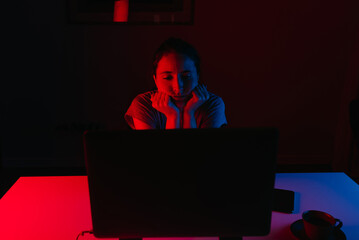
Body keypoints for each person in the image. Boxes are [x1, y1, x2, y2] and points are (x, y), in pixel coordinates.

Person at [124, 38, 227, 129]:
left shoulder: (213, 104)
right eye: (167, 77)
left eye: (186, 77)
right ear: (155, 79)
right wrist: (172, 116)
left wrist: (189, 113)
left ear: (197, 76)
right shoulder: (144, 104)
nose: (178, 86)